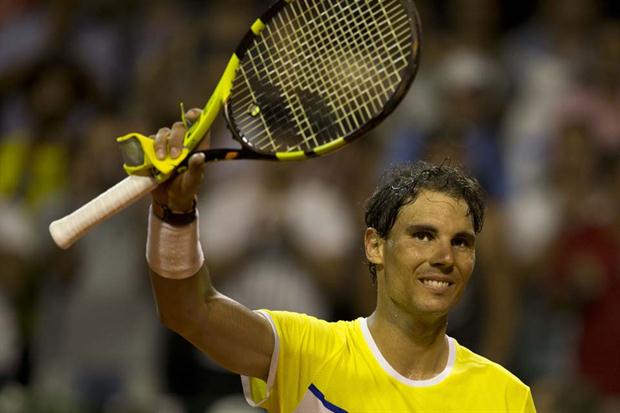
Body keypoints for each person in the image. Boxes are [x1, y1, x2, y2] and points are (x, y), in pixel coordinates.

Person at [145, 109, 536, 412]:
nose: (445, 257)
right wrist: (174, 214)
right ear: (374, 246)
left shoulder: (506, 397)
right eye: (423, 235)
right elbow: (188, 311)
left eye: (462, 242)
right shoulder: (307, 350)